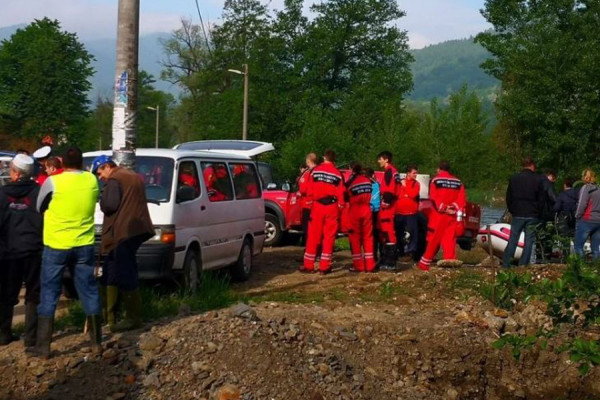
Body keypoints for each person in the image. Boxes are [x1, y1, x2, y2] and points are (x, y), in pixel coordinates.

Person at [31, 147, 101, 358]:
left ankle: (43, 347)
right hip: (84, 244)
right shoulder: (91, 180)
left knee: (50, 293)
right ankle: (96, 342)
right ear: (81, 162)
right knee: (88, 290)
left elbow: (39, 207)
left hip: (57, 244)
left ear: (62, 163)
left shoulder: (53, 182)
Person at [93, 156, 154, 332]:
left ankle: (132, 318)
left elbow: (110, 205)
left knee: (125, 271)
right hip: (136, 228)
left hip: (124, 231)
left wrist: (102, 199)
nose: (100, 177)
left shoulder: (114, 179)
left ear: (106, 167)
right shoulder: (130, 175)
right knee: (112, 267)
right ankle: (110, 318)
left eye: (100, 172)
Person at [0, 155, 42, 348]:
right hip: (33, 248)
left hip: (8, 250)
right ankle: (31, 338)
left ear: (16, 173)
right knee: (33, 293)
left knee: (6, 293)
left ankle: (3, 333)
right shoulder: (39, 192)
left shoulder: (2, 193)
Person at [417, 161, 466, 271]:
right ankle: (451, 262)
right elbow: (462, 198)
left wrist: (444, 208)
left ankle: (424, 263)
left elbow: (434, 197)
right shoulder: (458, 182)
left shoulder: (436, 180)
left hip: (438, 216)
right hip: (452, 216)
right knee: (449, 240)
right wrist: (453, 207)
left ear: (439, 169)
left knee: (433, 240)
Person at [302, 150, 345, 274]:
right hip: (331, 207)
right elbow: (341, 193)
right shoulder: (337, 173)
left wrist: (309, 203)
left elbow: (309, 188)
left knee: (313, 236)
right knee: (329, 237)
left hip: (317, 206)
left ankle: (308, 265)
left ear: (324, 157)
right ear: (334, 159)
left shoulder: (315, 171)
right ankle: (324, 267)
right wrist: (340, 208)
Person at [502, 157, 544, 268]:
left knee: (513, 239)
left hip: (518, 213)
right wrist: (538, 211)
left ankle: (506, 264)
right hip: (532, 214)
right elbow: (541, 199)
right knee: (529, 241)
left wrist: (512, 210)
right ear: (532, 165)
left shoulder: (514, 178)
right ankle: (523, 264)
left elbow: (508, 197)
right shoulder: (538, 179)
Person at [345, 164, 375, 272]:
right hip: (367, 209)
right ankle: (370, 265)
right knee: (368, 237)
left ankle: (358, 265)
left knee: (355, 238)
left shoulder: (352, 182)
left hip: (355, 210)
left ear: (352, 171)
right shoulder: (367, 181)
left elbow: (345, 195)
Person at [376, 151, 399, 271]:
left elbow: (390, 189)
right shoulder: (393, 171)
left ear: (385, 159)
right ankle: (385, 260)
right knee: (385, 232)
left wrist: (385, 202)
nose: (378, 161)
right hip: (390, 205)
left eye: (380, 159)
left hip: (388, 208)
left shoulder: (390, 171)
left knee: (388, 232)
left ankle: (390, 262)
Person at [395, 165, 420, 261]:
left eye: (416, 173)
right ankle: (400, 251)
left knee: (412, 233)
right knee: (399, 233)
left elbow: (413, 194)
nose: (416, 175)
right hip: (399, 212)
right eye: (414, 173)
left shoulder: (416, 184)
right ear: (408, 173)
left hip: (411, 213)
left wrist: (405, 187)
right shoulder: (399, 183)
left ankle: (411, 252)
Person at [574, 169, 600, 260]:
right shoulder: (598, 189)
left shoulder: (586, 188)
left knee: (578, 246)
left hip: (587, 219)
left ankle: (581, 269)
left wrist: (577, 216)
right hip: (598, 221)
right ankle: (596, 270)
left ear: (585, 177)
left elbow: (582, 204)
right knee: (596, 249)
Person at [298, 153, 318, 245]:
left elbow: (303, 189)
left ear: (308, 161)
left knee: (307, 228)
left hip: (307, 204)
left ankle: (309, 249)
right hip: (316, 204)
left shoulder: (308, 173)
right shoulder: (318, 171)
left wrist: (300, 192)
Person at [366, 168, 380, 261]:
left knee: (370, 236)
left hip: (371, 212)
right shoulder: (378, 185)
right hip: (376, 212)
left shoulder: (370, 186)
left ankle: (371, 256)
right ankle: (373, 256)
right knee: (374, 236)